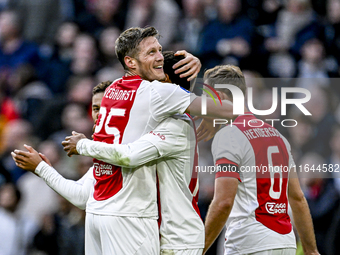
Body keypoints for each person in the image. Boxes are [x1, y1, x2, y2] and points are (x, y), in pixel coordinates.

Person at [12, 26, 233, 254]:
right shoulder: (158, 97)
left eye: (159, 51)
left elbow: (118, 162)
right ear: (130, 62)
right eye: (151, 52)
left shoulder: (113, 92)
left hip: (120, 218)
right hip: (135, 219)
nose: (158, 56)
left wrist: (74, 150)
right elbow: (227, 109)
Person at [202, 65, 320, 255]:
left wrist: (199, 248)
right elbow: (297, 198)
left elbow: (223, 202)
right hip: (285, 243)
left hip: (249, 244)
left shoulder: (229, 135)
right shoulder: (277, 136)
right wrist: (311, 250)